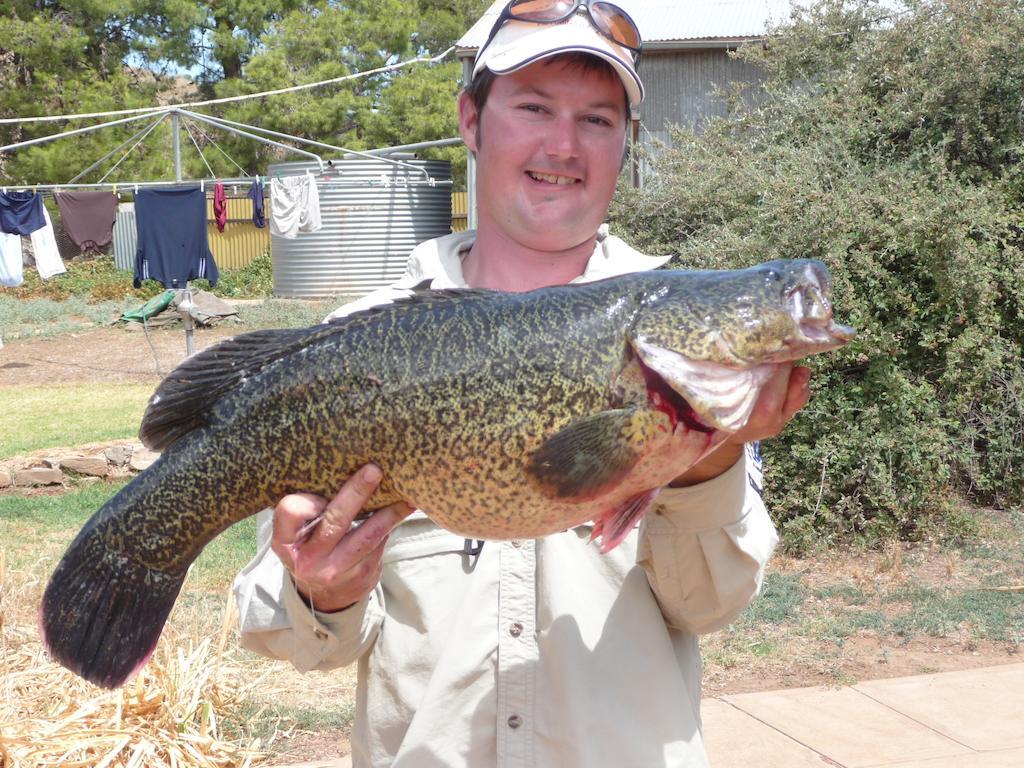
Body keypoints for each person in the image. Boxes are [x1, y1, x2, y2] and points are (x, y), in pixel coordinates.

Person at [233, 2, 810, 765]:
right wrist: (321, 591)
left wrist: (700, 454)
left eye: (598, 120)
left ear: (626, 145)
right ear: (472, 120)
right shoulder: (366, 340)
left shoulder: (688, 352)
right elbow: (284, 634)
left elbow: (709, 605)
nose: (563, 144)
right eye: (534, 108)